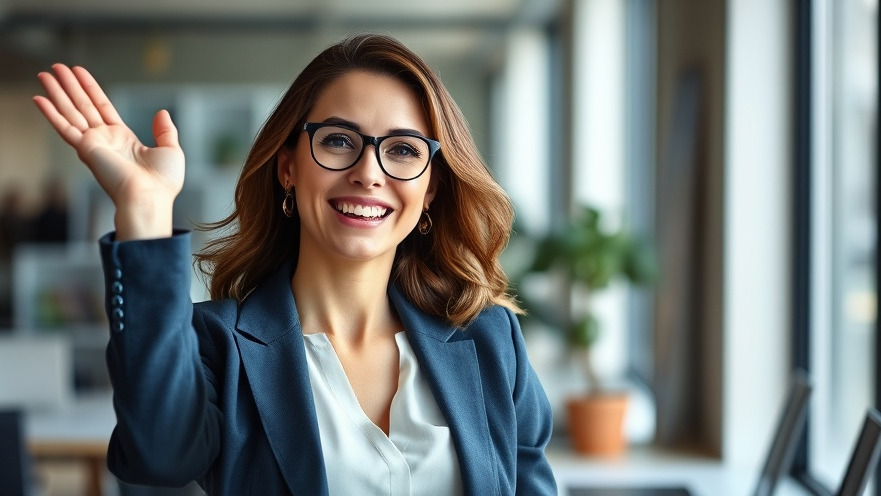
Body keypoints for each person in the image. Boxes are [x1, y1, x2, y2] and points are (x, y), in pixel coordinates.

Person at [33, 34, 557, 495]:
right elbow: (159, 457)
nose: (369, 172)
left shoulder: (490, 341)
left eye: (403, 150)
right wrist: (144, 207)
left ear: (431, 188)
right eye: (338, 141)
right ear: (288, 168)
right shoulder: (219, 346)